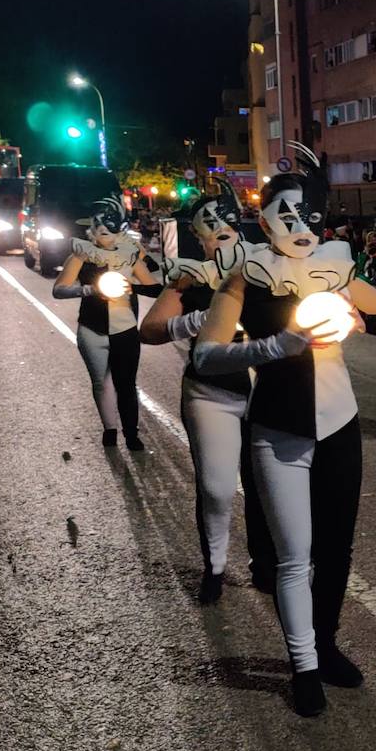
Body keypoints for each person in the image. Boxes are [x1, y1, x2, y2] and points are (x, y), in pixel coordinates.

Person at [194, 142, 376, 717]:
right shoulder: (249, 274)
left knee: (336, 549)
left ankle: (325, 644)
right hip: (278, 429)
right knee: (295, 556)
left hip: (340, 423)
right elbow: (206, 356)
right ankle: (304, 667)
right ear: (265, 217)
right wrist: (278, 345)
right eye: (287, 215)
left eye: (311, 217)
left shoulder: (336, 268)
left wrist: (359, 316)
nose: (299, 227)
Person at [139, 180, 276, 602]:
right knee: (217, 488)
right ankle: (214, 567)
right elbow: (150, 330)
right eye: (210, 232)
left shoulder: (269, 266)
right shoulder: (192, 276)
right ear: (197, 238)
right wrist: (197, 321)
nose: (221, 238)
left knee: (268, 487)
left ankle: (267, 565)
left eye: (228, 228)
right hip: (211, 392)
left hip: (269, 390)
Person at [52, 193, 162, 450]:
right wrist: (89, 290)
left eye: (109, 225)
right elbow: (59, 289)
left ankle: (132, 434)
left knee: (127, 383)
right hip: (92, 328)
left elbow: (155, 287)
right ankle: (109, 429)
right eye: (97, 225)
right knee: (101, 381)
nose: (102, 231)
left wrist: (133, 287)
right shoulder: (81, 255)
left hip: (125, 328)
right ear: (90, 227)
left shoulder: (130, 255)